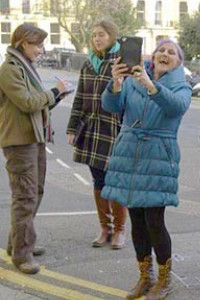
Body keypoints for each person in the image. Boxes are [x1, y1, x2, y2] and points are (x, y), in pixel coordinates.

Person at [101, 39, 191, 300]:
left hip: (157, 156)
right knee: (137, 220)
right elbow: (111, 106)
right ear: (152, 56)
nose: (165, 54)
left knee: (154, 220)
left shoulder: (181, 85)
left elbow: (177, 106)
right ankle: (145, 276)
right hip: (129, 152)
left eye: (171, 52)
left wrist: (151, 86)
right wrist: (115, 85)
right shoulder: (133, 78)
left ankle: (164, 280)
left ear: (178, 61)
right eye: (161, 50)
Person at [0, 24, 69, 274]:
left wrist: (56, 97)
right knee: (25, 196)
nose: (41, 50)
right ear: (22, 44)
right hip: (19, 142)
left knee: (34, 193)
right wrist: (54, 91)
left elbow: (37, 105)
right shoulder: (9, 69)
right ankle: (21, 255)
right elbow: (28, 103)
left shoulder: (25, 68)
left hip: (33, 138)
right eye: (37, 44)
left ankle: (18, 242)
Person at [66, 20, 127, 249]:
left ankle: (120, 230)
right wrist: (72, 128)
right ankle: (105, 229)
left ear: (111, 37)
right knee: (99, 181)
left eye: (101, 34)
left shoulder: (121, 62)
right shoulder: (88, 64)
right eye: (93, 35)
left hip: (114, 130)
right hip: (92, 130)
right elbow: (79, 98)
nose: (96, 39)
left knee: (116, 181)